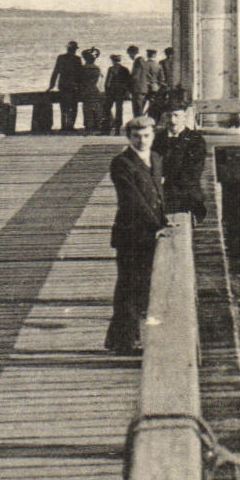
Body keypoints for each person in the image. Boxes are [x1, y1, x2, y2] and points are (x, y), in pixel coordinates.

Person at [105, 116, 167, 356]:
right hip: (131, 234)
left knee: (140, 287)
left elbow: (157, 195)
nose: (142, 140)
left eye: (146, 135)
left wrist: (164, 221)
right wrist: (155, 226)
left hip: (150, 232)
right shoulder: (121, 163)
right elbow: (132, 200)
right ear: (128, 138)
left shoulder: (156, 159)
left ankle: (119, 338)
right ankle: (125, 341)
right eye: (136, 136)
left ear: (153, 136)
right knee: (129, 286)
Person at [153, 107, 208, 223]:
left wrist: (165, 180)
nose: (172, 120)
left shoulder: (196, 140)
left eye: (176, 116)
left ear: (185, 117)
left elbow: (193, 172)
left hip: (185, 190)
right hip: (159, 190)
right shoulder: (156, 139)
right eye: (168, 116)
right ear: (163, 118)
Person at [48, 40, 85, 133]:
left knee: (64, 106)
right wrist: (80, 86)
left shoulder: (61, 58)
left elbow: (56, 72)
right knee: (73, 106)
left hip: (63, 85)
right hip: (73, 86)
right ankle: (70, 125)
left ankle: (64, 126)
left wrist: (51, 85)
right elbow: (80, 74)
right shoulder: (77, 59)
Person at [78, 48, 105, 134]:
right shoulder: (97, 69)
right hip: (95, 90)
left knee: (87, 108)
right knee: (97, 107)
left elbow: (79, 80)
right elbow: (101, 81)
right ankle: (98, 124)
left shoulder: (82, 69)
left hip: (85, 90)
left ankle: (89, 125)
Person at [103, 53, 132, 134]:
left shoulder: (111, 69)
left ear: (112, 60)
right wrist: (127, 91)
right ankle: (117, 129)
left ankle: (108, 127)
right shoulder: (125, 69)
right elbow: (128, 81)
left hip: (112, 92)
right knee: (119, 110)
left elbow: (108, 82)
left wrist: (106, 91)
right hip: (121, 92)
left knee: (107, 108)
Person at [129, 46, 153, 118]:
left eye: (129, 54)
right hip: (142, 88)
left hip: (138, 89)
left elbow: (135, 76)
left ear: (132, 53)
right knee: (139, 108)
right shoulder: (142, 60)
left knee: (138, 109)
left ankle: (138, 125)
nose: (130, 57)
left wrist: (128, 86)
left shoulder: (138, 61)